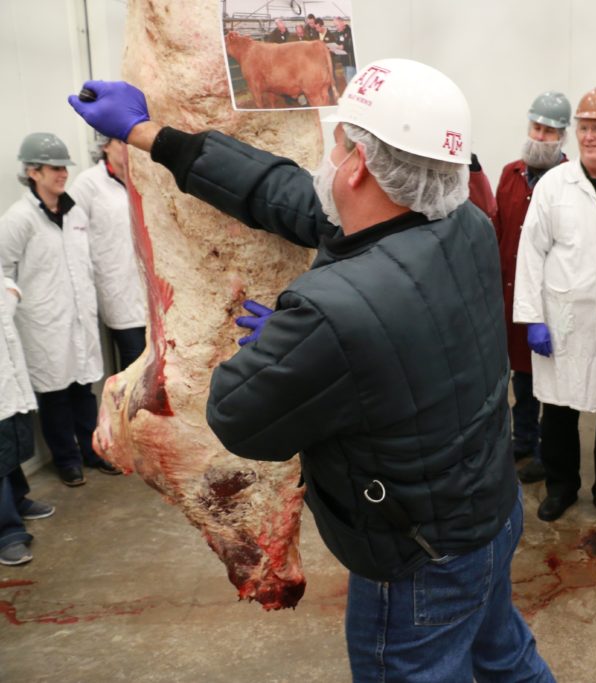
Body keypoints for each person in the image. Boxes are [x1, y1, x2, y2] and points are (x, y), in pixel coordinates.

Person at [68, 60, 553, 683]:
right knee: (505, 658)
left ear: (357, 166)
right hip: (487, 514)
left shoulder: (336, 312)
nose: (329, 156)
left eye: (339, 142)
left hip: (416, 558)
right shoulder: (465, 226)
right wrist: (151, 134)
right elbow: (289, 197)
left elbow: (239, 417)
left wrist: (304, 350)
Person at [513, 86, 596, 528]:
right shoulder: (555, 183)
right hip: (564, 317)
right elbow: (531, 252)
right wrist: (533, 318)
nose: (589, 137)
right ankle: (561, 488)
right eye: (584, 128)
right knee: (558, 411)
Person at [0, 133, 119, 487]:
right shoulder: (19, 219)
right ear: (33, 172)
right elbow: (3, 270)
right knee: (55, 395)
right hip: (43, 322)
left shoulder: (75, 211)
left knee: (84, 389)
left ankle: (92, 452)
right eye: (55, 168)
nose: (62, 174)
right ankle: (67, 461)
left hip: (78, 317)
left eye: (64, 167)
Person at [494, 91, 571, 485]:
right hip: (511, 296)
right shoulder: (509, 176)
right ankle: (523, 438)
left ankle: (546, 452)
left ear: (563, 137)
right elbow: (499, 233)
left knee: (549, 384)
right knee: (520, 379)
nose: (540, 136)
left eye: (550, 131)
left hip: (551, 300)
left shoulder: (570, 181)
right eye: (536, 127)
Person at [68, 134, 147, 371]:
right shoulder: (88, 184)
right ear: (105, 145)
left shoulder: (143, 178)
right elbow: (71, 236)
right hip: (118, 290)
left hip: (154, 292)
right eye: (121, 141)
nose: (128, 147)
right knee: (134, 364)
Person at [0, 260, 54, 566]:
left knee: (11, 434)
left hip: (6, 359)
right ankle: (6, 532)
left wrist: (12, 292)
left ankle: (17, 499)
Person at [332, 17, 357, 83]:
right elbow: (338, 44)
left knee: (350, 82)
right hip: (344, 62)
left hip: (351, 62)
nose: (336, 27)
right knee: (347, 81)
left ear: (342, 23)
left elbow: (351, 45)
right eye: (335, 26)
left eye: (337, 25)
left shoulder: (350, 32)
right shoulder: (338, 34)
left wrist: (343, 46)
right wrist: (334, 49)